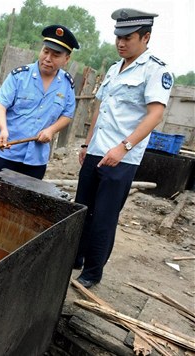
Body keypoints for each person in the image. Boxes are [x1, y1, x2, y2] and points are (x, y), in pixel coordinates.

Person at [74, 8, 174, 288]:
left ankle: (92, 272)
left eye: (127, 38)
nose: (120, 43)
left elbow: (154, 114)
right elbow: (100, 108)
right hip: (96, 150)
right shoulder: (114, 68)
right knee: (82, 208)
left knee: (104, 216)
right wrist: (86, 142)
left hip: (122, 157)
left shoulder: (156, 69)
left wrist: (124, 147)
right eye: (118, 37)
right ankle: (76, 257)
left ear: (146, 37)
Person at [0, 25, 79, 180]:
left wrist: (51, 130)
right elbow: (0, 104)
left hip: (36, 160)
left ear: (66, 59)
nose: (48, 58)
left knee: (28, 203)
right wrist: (3, 129)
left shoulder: (66, 85)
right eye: (45, 51)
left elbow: (67, 115)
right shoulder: (19, 76)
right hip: (7, 152)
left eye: (56, 55)